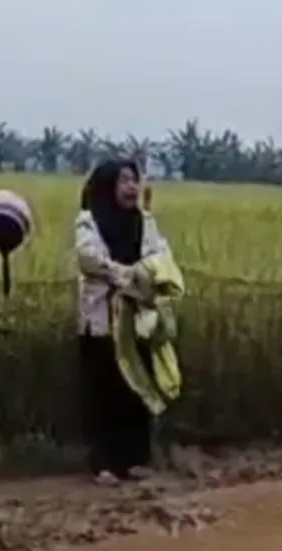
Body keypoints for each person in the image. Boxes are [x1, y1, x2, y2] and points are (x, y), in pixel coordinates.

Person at [75, 159, 172, 484]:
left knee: (136, 387)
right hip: (102, 321)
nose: (132, 187)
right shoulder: (88, 221)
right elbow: (90, 259)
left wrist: (146, 279)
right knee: (104, 390)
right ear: (107, 187)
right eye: (124, 181)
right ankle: (104, 463)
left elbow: (159, 256)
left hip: (137, 318)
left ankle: (134, 459)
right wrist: (129, 276)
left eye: (135, 180)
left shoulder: (146, 222)